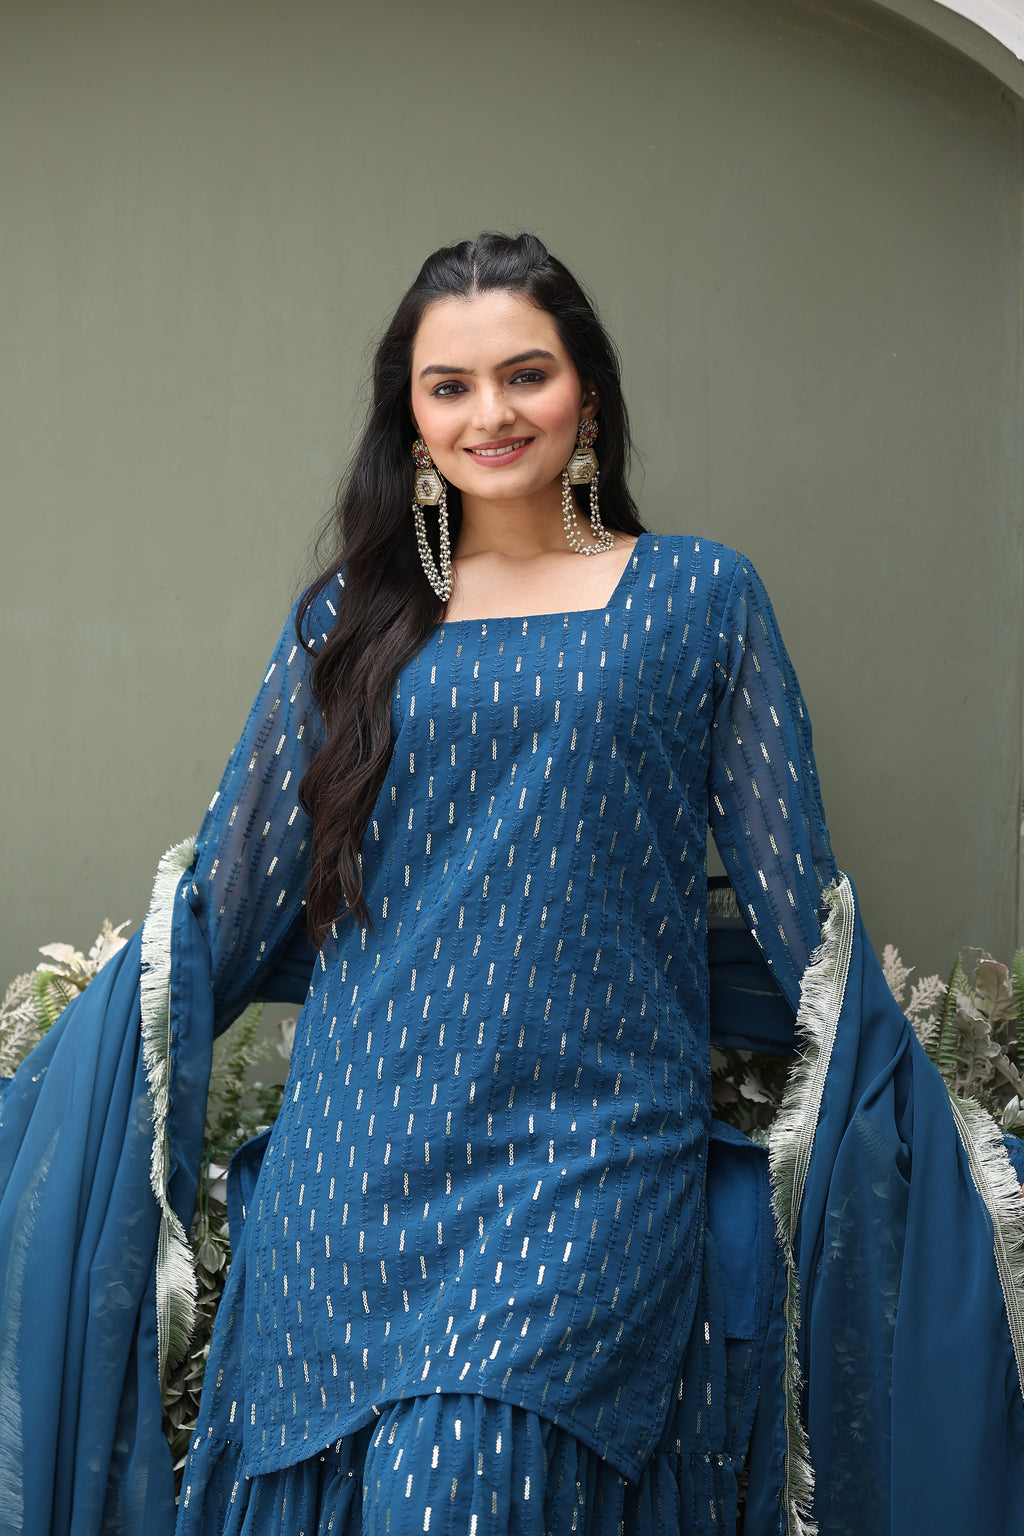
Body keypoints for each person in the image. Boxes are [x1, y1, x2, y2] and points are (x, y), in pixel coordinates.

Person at [2, 233, 1023, 1536]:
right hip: (352, 1166)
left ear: (586, 393)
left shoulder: (695, 598)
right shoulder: (351, 620)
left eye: (524, 374)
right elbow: (235, 901)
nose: (490, 414)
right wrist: (68, 1089)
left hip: (585, 1153)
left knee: (455, 1492)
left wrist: (919, 1125)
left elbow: (793, 906)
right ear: (411, 418)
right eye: (449, 386)